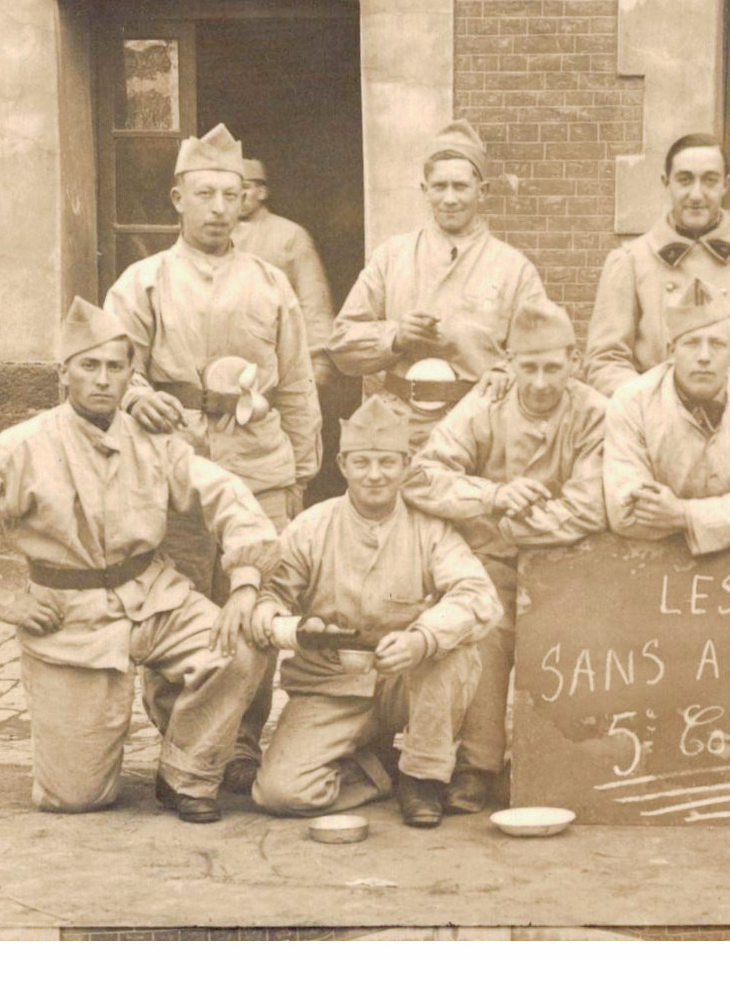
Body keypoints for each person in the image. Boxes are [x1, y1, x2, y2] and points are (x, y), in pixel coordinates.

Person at [0, 299, 276, 823]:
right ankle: (105, 747)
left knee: (243, 641)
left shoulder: (154, 442)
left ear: (132, 375)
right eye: (89, 365)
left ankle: (186, 773)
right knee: (77, 796)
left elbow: (226, 496)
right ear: (64, 373)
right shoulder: (21, 445)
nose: (103, 379)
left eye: (115, 367)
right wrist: (2, 601)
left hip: (154, 596)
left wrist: (245, 582)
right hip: (68, 616)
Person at [105, 122, 322, 793]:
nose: (220, 208)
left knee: (254, 610)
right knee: (178, 605)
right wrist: (135, 396)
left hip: (259, 465)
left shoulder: (269, 282)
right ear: (178, 198)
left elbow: (295, 381)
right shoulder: (141, 283)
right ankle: (177, 739)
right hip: (174, 469)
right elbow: (102, 371)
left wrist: (301, 471)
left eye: (231, 195)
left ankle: (241, 745)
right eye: (205, 194)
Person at [249, 397, 503, 828]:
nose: (374, 475)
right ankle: (378, 770)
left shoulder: (431, 528)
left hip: (407, 681)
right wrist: (293, 627)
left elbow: (479, 596)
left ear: (406, 464)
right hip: (332, 684)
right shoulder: (312, 526)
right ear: (343, 464)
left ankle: (421, 775)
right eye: (362, 462)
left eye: (387, 462)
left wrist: (422, 639)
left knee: (455, 650)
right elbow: (268, 595)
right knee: (280, 793)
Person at [402, 300, 608, 812]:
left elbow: (591, 505)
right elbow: (422, 477)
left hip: (568, 562)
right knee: (487, 634)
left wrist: (517, 521)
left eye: (553, 367)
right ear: (509, 362)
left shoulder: (595, 413)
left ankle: (554, 764)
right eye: (528, 366)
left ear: (574, 361)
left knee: (569, 645)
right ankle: (479, 765)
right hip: (491, 558)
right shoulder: (484, 404)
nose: (539, 381)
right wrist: (493, 496)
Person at [328, 120, 548, 449]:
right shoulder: (392, 256)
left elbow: (544, 352)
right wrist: (395, 337)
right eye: (439, 186)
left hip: (480, 428)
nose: (449, 199)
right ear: (425, 190)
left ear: (482, 191)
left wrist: (508, 372)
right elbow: (342, 344)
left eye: (460, 187)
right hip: (399, 432)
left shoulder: (514, 269)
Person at [585, 133, 730, 397]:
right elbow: (605, 360)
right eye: (685, 180)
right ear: (667, 183)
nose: (696, 194)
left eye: (709, 181)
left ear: (726, 185)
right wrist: (652, 405)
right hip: (656, 423)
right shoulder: (630, 261)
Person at [604, 278, 730, 556]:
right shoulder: (631, 402)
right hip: (655, 560)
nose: (704, 356)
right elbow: (626, 512)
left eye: (717, 344)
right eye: (692, 343)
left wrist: (684, 514)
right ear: (670, 351)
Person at [233, 157, 337, 394]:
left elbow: (314, 300)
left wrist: (319, 358)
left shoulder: (290, 235)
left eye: (245, 188)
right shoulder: (216, 234)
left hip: (280, 356)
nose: (238, 196)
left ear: (262, 192)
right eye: (232, 190)